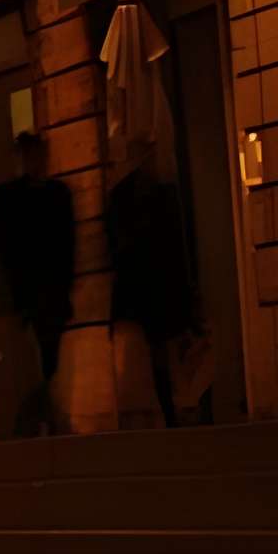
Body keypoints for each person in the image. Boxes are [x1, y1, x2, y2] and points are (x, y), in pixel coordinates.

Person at [104, 136, 197, 426]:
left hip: (152, 286)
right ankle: (171, 408)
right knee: (159, 351)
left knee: (158, 351)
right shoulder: (146, 196)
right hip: (153, 286)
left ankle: (170, 408)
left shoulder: (142, 195)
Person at [0, 130, 76, 435]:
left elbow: (66, 243)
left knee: (45, 356)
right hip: (30, 289)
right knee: (34, 358)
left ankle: (37, 415)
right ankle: (39, 414)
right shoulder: (15, 197)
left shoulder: (50, 194)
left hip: (45, 288)